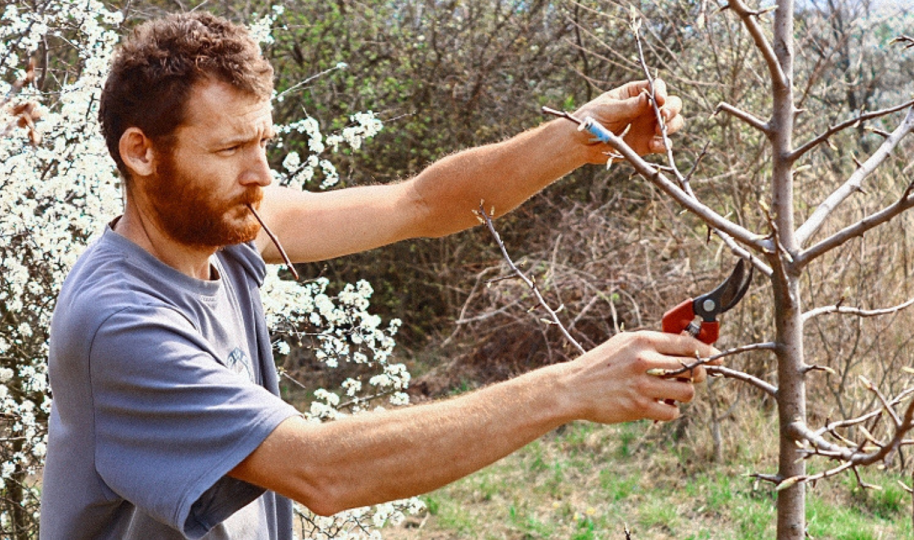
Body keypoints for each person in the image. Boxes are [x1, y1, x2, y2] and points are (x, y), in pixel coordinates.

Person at [40, 11, 715, 540]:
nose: (263, 175)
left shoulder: (223, 226)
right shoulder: (120, 323)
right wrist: (572, 387)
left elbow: (421, 202)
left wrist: (581, 134)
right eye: (230, 149)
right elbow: (323, 471)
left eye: (262, 143)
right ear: (140, 153)